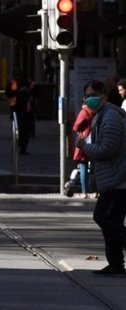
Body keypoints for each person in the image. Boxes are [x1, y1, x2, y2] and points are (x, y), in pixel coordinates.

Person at [76, 80, 126, 275]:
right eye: (86, 96)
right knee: (110, 219)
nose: (88, 100)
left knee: (105, 217)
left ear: (102, 95)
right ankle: (115, 264)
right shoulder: (102, 115)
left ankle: (116, 263)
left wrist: (83, 146)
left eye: (91, 95)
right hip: (113, 179)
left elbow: (108, 148)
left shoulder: (110, 116)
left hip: (117, 179)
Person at [69, 95, 99, 198]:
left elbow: (76, 127)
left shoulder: (84, 112)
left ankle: (84, 191)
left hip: (85, 140)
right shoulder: (98, 111)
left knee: (83, 166)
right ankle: (95, 191)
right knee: (95, 168)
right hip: (96, 140)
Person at [5, 69, 39, 155]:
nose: (18, 77)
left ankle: (23, 148)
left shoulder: (30, 83)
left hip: (28, 111)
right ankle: (17, 146)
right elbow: (8, 93)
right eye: (17, 75)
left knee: (26, 131)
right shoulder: (13, 83)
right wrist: (18, 91)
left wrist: (28, 91)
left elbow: (38, 93)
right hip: (16, 110)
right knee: (17, 130)